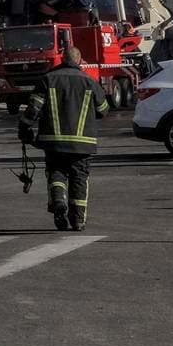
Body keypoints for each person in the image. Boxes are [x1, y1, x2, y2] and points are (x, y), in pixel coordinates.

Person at [18, 44, 109, 231]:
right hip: (83, 143)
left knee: (56, 172)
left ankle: (59, 200)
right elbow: (103, 110)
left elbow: (34, 107)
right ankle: (78, 221)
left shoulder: (48, 79)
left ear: (62, 59)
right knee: (79, 179)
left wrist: (24, 127)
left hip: (54, 142)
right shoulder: (90, 81)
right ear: (79, 60)